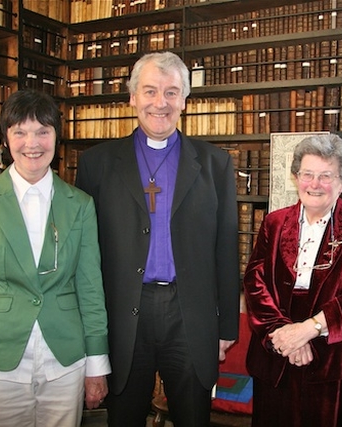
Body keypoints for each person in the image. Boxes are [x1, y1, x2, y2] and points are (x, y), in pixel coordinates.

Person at [75, 51, 240, 427]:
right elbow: (86, 257)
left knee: (193, 417)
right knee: (124, 417)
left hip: (190, 314)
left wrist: (227, 328)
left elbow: (225, 249)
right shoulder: (96, 164)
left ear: (184, 99)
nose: (159, 103)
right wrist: (90, 333)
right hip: (124, 314)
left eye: (171, 92)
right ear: (132, 97)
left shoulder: (215, 164)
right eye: (149, 91)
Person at [0, 89, 110, 427]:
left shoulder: (80, 204)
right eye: (20, 131)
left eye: (42, 131)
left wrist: (97, 365)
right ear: (6, 138)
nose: (32, 143)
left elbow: (91, 289)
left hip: (66, 360)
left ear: (56, 138)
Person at [243, 134, 342, 427]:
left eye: (325, 176)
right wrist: (282, 332)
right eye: (307, 174)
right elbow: (255, 281)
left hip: (333, 355)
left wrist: (309, 329)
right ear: (296, 177)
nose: (314, 184)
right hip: (277, 348)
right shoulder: (274, 223)